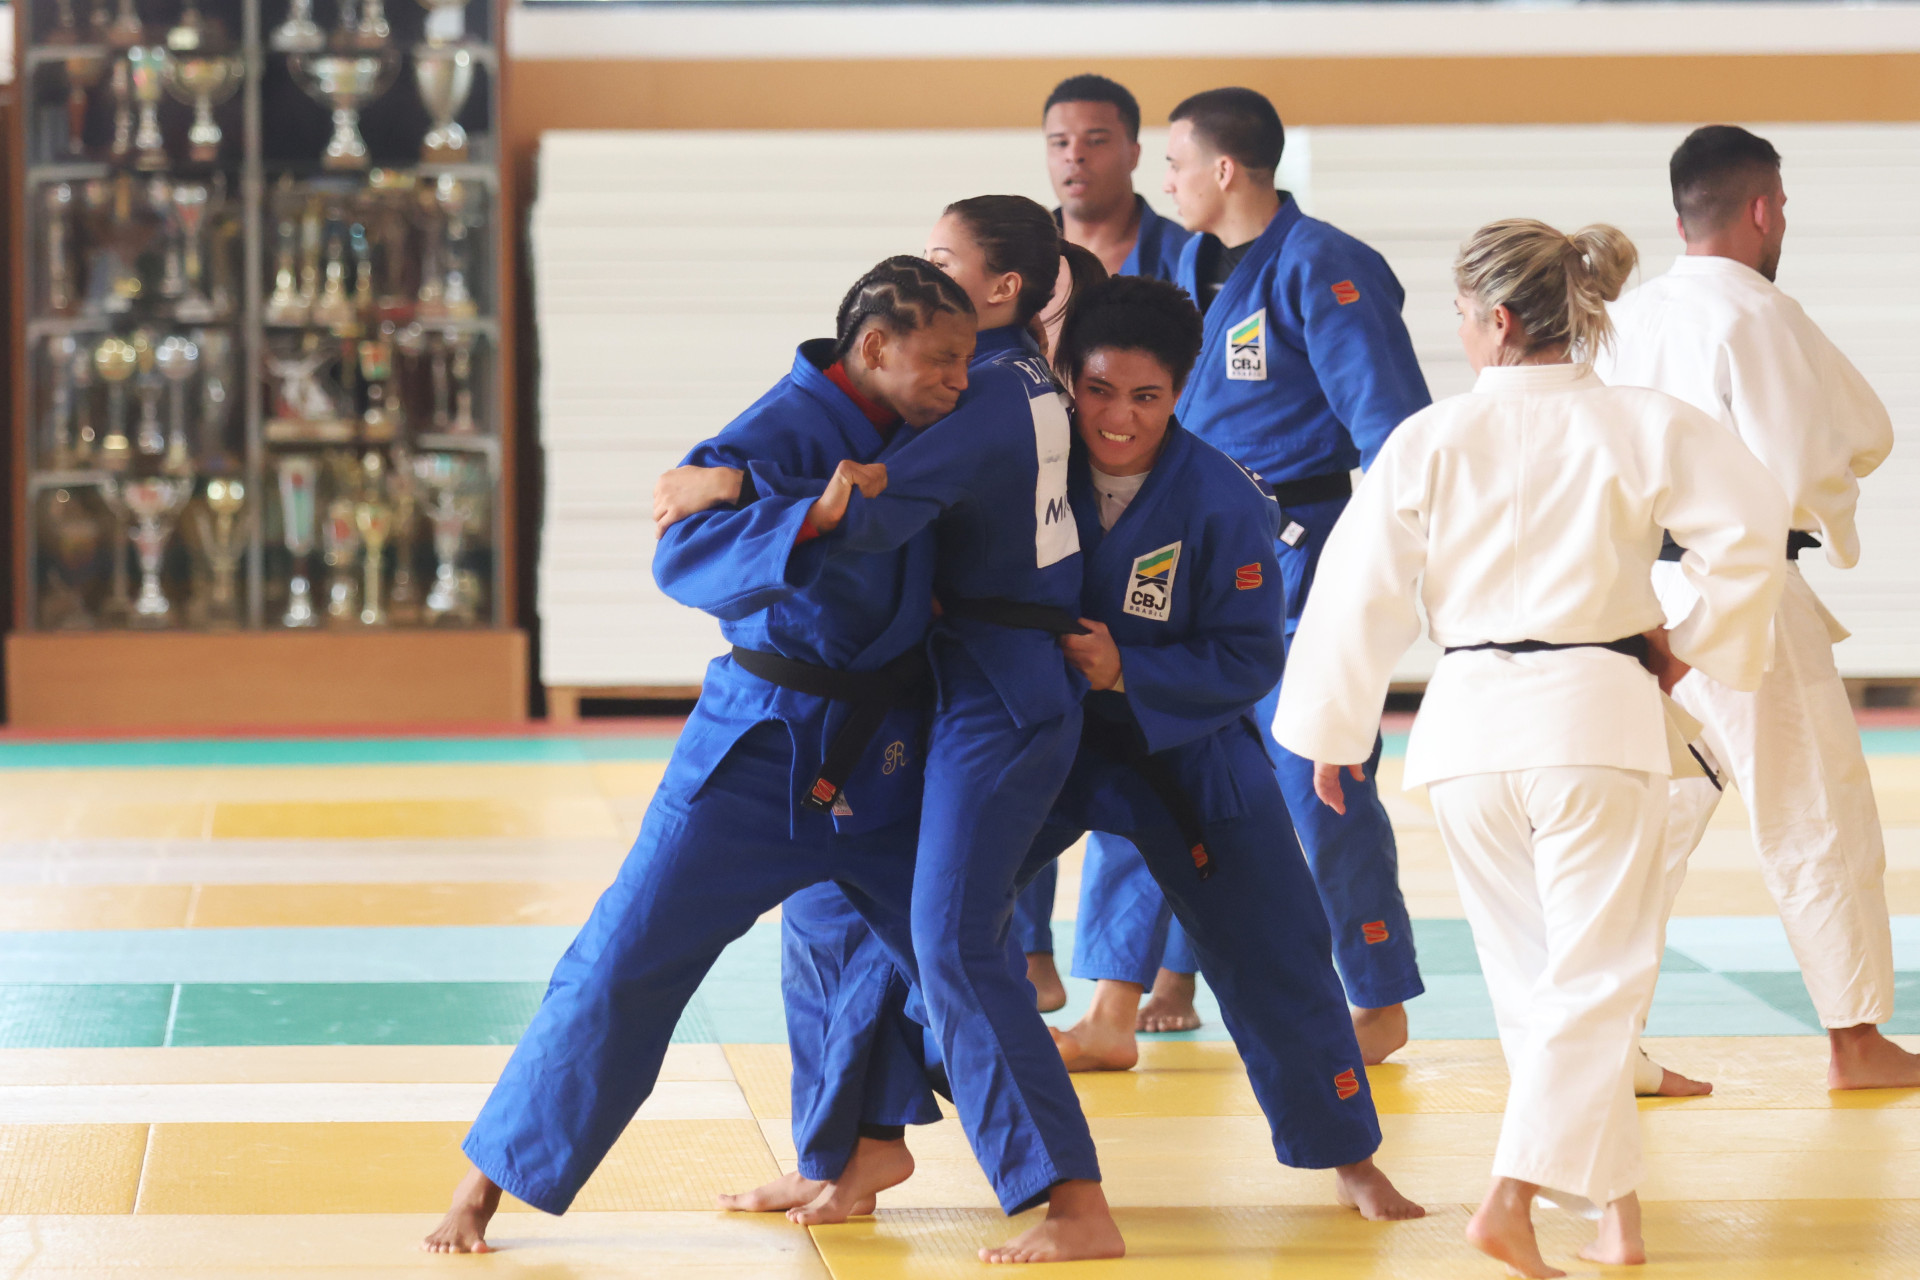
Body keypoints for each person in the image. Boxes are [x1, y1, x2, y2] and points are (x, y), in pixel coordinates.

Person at [727, 274, 1427, 1240]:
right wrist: (724, 483)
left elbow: (1251, 654)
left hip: (1184, 753)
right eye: (1097, 390)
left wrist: (1125, 667)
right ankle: (846, 1150)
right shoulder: (1019, 461)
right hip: (1031, 741)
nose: (1118, 418)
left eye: (1147, 397)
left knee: (1279, 944)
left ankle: (1352, 1157)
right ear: (1065, 377)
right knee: (893, 920)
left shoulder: (1223, 499)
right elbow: (875, 499)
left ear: (1182, 392)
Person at [420, 257, 975, 1254]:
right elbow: (682, 555)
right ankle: (488, 1177)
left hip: (887, 749)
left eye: (968, 359)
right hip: (759, 749)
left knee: (952, 956)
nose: (958, 378)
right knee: (626, 955)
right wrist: (801, 505)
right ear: (876, 347)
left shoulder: (940, 425)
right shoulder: (772, 430)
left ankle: (875, 1152)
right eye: (940, 358)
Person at [1276, 218, 1787, 1277]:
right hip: (1593, 719)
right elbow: (1751, 530)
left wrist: (1334, 728)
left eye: (1461, 316)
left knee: (1537, 986)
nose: (1461, 334)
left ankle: (1617, 1217)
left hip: (1464, 730)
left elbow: (1355, 590)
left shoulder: (1428, 439)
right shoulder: (1644, 422)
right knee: (1594, 980)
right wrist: (1690, 642)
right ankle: (1510, 1195)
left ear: (1497, 320)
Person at [744, 198, 1127, 1263]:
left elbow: (863, 509)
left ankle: (1073, 1201)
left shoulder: (987, 398)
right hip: (954, 687)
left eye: (945, 255)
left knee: (954, 942)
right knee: (832, 909)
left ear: (1001, 289)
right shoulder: (1011, 379)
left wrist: (726, 481)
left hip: (1001, 694)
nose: (926, 263)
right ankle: (850, 1150)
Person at [1055, 86, 1436, 1072]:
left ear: (1223, 169)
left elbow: (1396, 438)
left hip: (1309, 557)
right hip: (1188, 556)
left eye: (1174, 164)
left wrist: (1374, 582)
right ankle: (1111, 1003)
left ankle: (1378, 993)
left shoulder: (1327, 268)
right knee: (1138, 752)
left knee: (1318, 776)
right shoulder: (1186, 266)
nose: (1164, 181)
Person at [1594, 125, 1909, 1093]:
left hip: (1636, 594)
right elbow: (1844, 442)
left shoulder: (1622, 318)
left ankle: (1607, 1048)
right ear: (1765, 206)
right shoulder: (1760, 313)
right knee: (1813, 805)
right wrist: (1830, 501)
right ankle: (1855, 1039)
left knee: (1646, 821)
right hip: (1744, 591)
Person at [1017, 72, 1198, 1021]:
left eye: (1094, 140)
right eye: (1058, 142)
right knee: (1019, 740)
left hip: (1156, 498)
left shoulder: (1192, 254)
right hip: (1055, 501)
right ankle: (1031, 952)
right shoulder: (1021, 251)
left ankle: (1157, 973)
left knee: (1146, 731)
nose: (1075, 158)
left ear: (1135, 150)